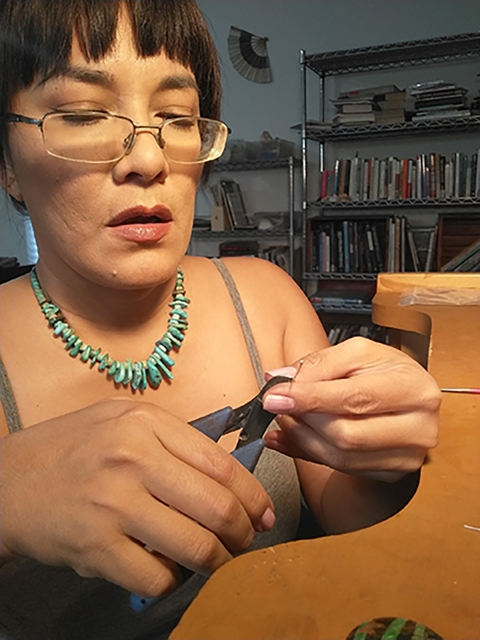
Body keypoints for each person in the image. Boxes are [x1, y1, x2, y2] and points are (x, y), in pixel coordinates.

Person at [0, 1, 441, 638]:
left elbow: (355, 524)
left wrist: (387, 459)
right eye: (83, 114)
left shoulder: (268, 297)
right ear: (7, 163)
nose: (148, 162)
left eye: (176, 118)